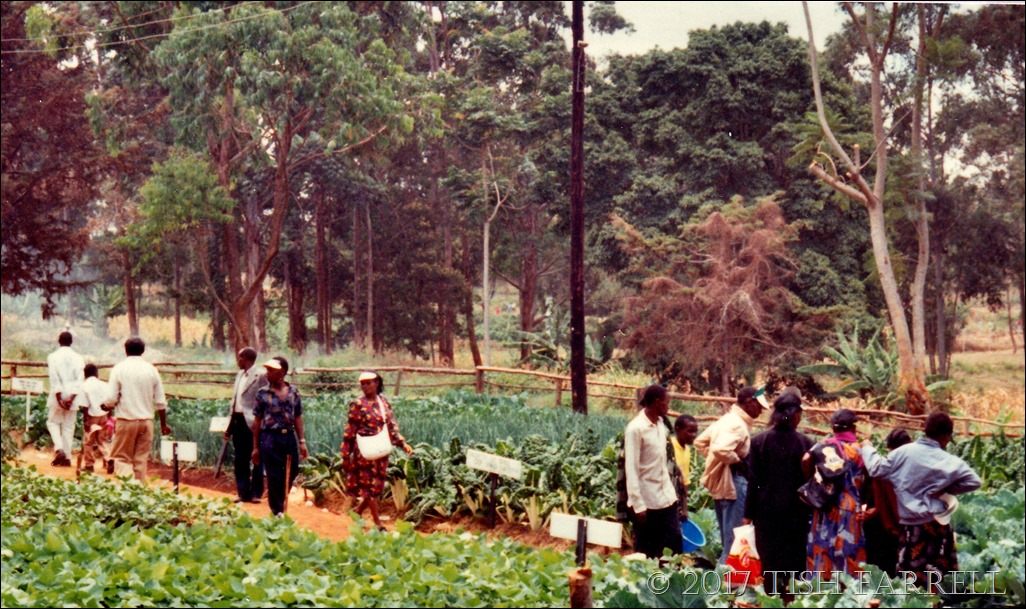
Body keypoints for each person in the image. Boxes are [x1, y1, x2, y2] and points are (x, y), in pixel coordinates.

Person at [861, 413, 982, 591]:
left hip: (912, 528)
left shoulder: (902, 453)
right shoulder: (948, 460)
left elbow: (875, 469)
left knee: (910, 580)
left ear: (925, 430)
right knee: (937, 577)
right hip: (938, 526)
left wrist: (867, 448)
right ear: (946, 436)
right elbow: (974, 481)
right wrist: (944, 490)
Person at [744, 387, 814, 594]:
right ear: (797, 415)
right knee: (795, 562)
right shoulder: (806, 444)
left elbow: (754, 482)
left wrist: (747, 515)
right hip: (796, 514)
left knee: (770, 562)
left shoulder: (759, 442)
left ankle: (771, 600)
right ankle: (793, 601)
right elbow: (809, 483)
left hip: (766, 514)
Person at [694, 386, 766, 562]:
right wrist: (737, 462)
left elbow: (701, 442)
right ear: (749, 402)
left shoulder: (726, 420)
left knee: (730, 542)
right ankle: (722, 587)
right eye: (759, 406)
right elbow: (720, 449)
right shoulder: (737, 425)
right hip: (735, 485)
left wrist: (719, 463)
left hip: (724, 485)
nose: (761, 410)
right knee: (735, 546)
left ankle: (725, 585)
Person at [341, 371, 414, 531]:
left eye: (368, 383)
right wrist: (345, 455)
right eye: (363, 383)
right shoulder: (357, 404)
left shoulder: (384, 403)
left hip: (380, 450)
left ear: (377, 383)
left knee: (377, 487)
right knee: (368, 485)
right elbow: (350, 431)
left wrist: (402, 443)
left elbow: (391, 426)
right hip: (364, 451)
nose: (365, 386)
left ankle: (358, 511)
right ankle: (378, 523)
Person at [805, 408, 866, 579]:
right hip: (849, 508)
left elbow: (805, 460)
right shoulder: (858, 450)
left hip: (825, 505)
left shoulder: (823, 447)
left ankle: (818, 599)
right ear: (853, 429)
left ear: (833, 428)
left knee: (822, 550)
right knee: (848, 555)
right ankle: (850, 597)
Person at [624, 384, 683, 559]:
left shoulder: (660, 424)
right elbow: (631, 467)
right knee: (647, 553)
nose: (668, 406)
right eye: (666, 402)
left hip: (666, 497)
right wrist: (638, 504)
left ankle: (672, 583)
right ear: (657, 403)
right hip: (647, 502)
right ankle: (650, 585)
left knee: (674, 545)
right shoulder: (636, 429)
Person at [104, 337, 170, 481]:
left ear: (125, 350)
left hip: (126, 421)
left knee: (121, 458)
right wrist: (163, 424)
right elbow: (160, 401)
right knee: (140, 460)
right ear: (143, 351)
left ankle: (129, 491)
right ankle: (139, 493)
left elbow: (111, 398)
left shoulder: (119, 369)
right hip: (146, 422)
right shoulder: (152, 370)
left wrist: (106, 405)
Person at [251, 357, 307, 517]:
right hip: (269, 438)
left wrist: (302, 441)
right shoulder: (262, 393)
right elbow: (257, 420)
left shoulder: (293, 392)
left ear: (282, 372)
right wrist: (255, 447)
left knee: (293, 469)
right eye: (267, 370)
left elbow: (298, 417)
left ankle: (280, 501)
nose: (267, 373)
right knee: (273, 474)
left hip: (288, 437)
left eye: (271, 370)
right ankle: (277, 511)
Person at [862, 429, 912, 576]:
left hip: (883, 528)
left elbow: (873, 499)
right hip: (906, 528)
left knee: (881, 574)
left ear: (889, 448)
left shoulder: (881, 467)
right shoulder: (916, 466)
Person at [225, 347, 268, 503]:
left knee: (257, 457)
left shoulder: (261, 375)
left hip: (254, 421)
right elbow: (235, 400)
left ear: (247, 358)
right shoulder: (239, 375)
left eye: (239, 357)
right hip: (238, 420)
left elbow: (266, 397)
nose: (238, 360)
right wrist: (229, 425)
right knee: (240, 458)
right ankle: (242, 492)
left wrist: (263, 419)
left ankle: (256, 493)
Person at [46, 331, 85, 466]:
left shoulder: (53, 357)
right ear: (71, 342)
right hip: (73, 395)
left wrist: (59, 396)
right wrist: (72, 397)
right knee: (69, 426)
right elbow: (80, 379)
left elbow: (54, 377)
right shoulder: (79, 358)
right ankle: (67, 457)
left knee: (53, 422)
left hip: (59, 393)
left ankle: (59, 449)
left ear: (59, 341)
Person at [75, 363, 114, 474]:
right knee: (103, 440)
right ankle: (109, 458)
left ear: (85, 374)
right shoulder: (104, 385)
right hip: (104, 415)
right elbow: (109, 402)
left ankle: (89, 465)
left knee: (89, 442)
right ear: (96, 373)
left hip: (92, 416)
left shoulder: (84, 386)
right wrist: (109, 415)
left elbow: (85, 405)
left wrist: (85, 421)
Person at [671, 414, 699, 521]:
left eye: (695, 431)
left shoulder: (687, 450)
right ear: (677, 430)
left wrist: (684, 508)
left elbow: (685, 482)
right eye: (690, 431)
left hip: (677, 498)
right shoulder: (669, 445)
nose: (694, 435)